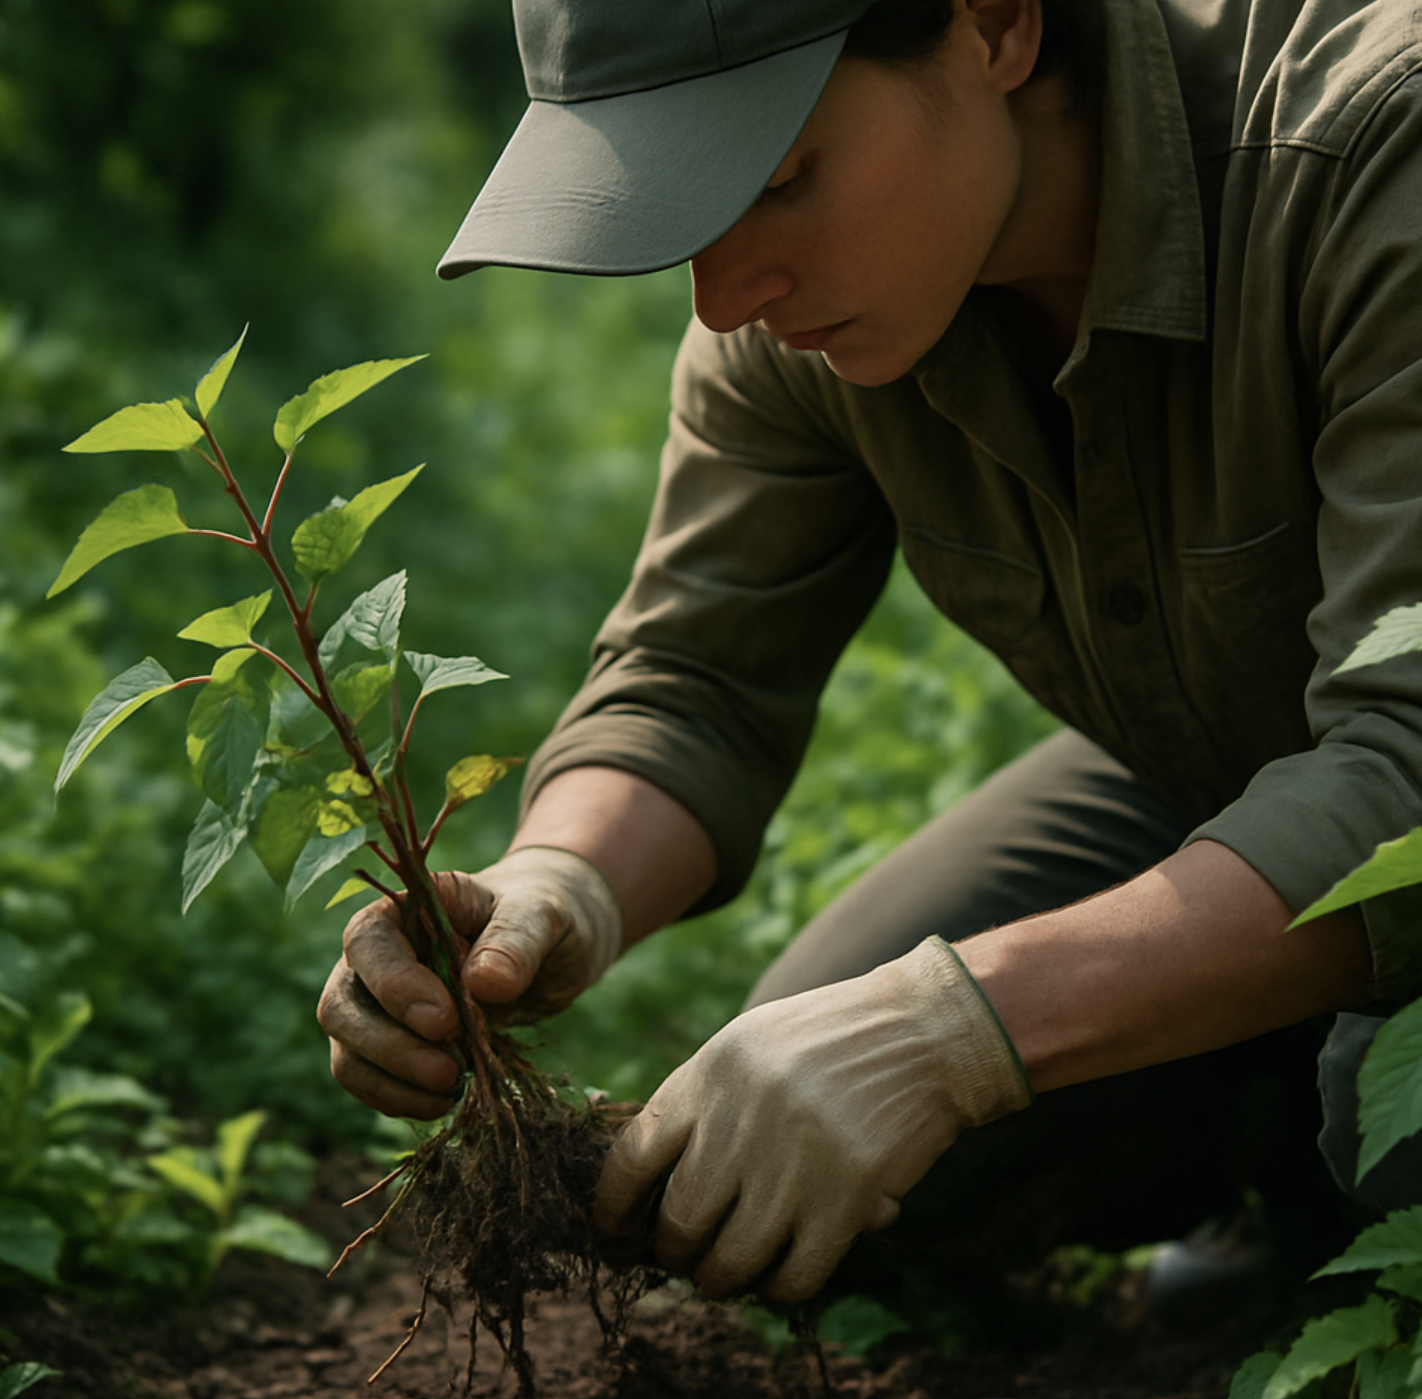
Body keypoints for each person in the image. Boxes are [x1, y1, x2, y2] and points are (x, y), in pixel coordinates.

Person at [317, 0, 1422, 1312]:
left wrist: (960, 1026)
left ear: (998, 26)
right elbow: (699, 674)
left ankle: (1327, 1149)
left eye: (778, 179)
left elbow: (1409, 759)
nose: (725, 295)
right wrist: (559, 883)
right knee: (803, 1172)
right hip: (1217, 758)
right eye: (679, 211)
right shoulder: (797, 316)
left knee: (1390, 1122)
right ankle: (1276, 1135)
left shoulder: (1368, 156)